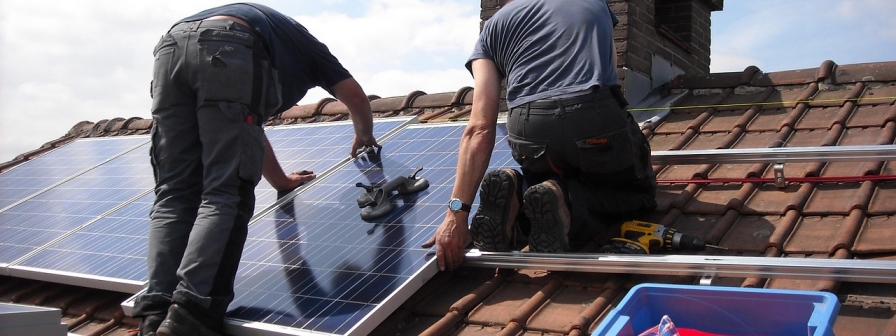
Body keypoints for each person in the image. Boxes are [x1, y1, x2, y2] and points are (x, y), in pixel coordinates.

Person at [133, 3, 380, 336]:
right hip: (228, 46)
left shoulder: (276, 39)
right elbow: (355, 97)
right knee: (226, 193)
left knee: (174, 193)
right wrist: (364, 136)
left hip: (170, 48)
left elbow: (249, 133)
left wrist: (280, 180)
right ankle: (192, 313)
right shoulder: (310, 50)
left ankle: (156, 313)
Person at [423, 0, 657, 271]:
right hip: (593, 116)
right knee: (639, 193)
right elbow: (611, 78)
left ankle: (519, 194)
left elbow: (479, 127)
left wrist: (457, 215)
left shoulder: (492, 28)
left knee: (546, 176)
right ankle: (565, 200)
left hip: (529, 129)